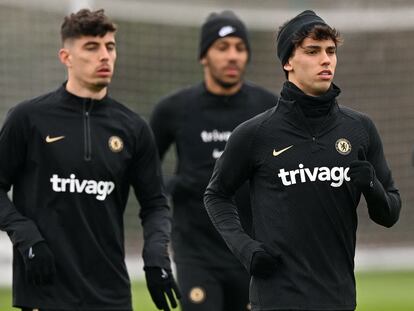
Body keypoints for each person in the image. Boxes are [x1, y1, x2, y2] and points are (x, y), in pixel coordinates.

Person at [204, 10, 401, 311]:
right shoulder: (255, 133)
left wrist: (371, 184)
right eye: (312, 51)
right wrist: (246, 249)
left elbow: (390, 213)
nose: (326, 60)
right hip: (276, 299)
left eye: (331, 51)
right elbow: (216, 195)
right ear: (287, 61)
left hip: (338, 299)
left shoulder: (360, 129)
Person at [0, 8, 180, 311]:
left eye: (110, 47)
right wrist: (27, 236)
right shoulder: (28, 119)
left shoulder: (133, 128)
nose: (104, 56)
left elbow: (155, 204)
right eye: (91, 47)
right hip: (45, 292)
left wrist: (156, 255)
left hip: (110, 295)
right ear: (66, 57)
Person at [150, 10, 276, 311]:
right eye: (222, 48)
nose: (232, 56)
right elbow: (142, 166)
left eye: (239, 48)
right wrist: (175, 185)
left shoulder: (269, 107)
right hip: (196, 250)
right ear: (203, 56)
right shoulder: (173, 109)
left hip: (252, 249)